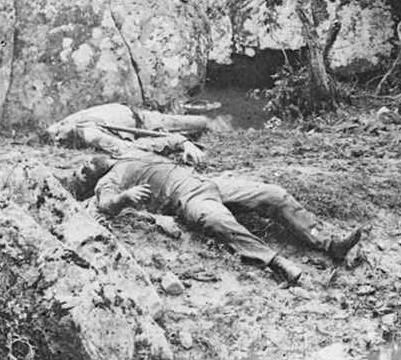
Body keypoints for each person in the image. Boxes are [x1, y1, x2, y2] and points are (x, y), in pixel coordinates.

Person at [48, 104, 362, 286]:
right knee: (217, 219)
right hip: (188, 199)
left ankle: (329, 244)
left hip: (208, 182)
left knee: (274, 193)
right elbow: (106, 205)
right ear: (90, 183)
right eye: (83, 175)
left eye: (83, 165)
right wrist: (125, 198)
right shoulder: (110, 181)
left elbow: (166, 140)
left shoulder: (126, 151)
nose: (86, 166)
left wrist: (185, 145)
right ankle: (279, 264)